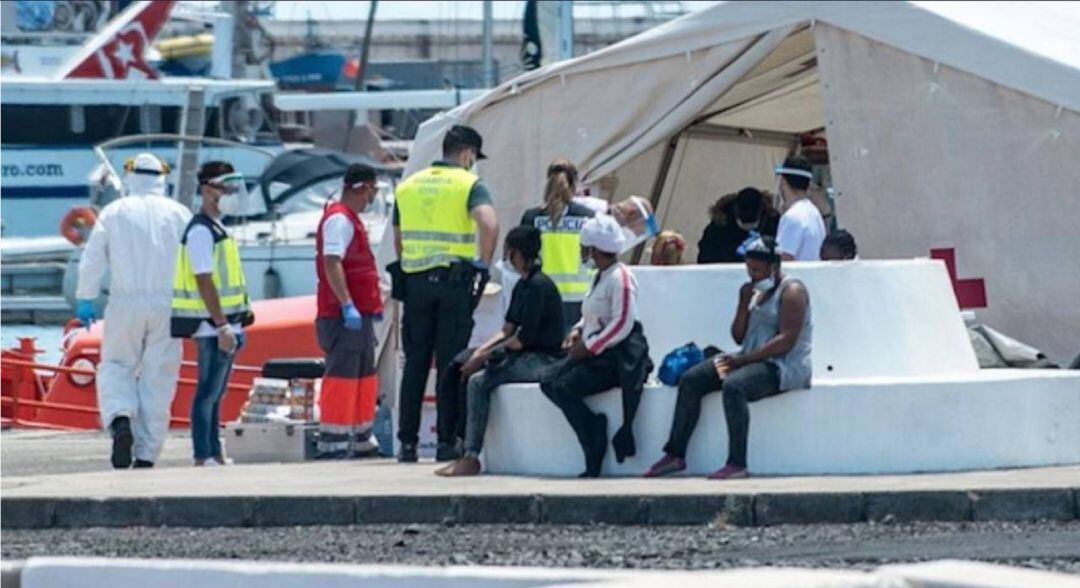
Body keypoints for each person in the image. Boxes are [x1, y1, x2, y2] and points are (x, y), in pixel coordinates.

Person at [644, 236, 812, 480]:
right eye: (749, 269)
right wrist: (743, 304)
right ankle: (675, 453)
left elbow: (787, 340)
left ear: (773, 267)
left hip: (781, 368)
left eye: (756, 269)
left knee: (734, 386)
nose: (752, 275)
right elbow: (738, 336)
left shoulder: (792, 291)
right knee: (693, 379)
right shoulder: (757, 294)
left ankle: (737, 463)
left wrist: (743, 361)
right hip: (750, 359)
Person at [75, 152, 192, 469]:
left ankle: (120, 418)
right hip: (169, 306)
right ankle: (146, 454)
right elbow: (196, 263)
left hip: (125, 301)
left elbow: (93, 259)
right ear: (161, 178)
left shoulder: (114, 212)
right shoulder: (179, 213)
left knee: (116, 365)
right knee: (159, 377)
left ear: (130, 176)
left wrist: (85, 298)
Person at [392, 124, 499, 463]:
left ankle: (407, 443)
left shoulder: (408, 186)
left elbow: (399, 237)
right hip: (453, 283)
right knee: (450, 364)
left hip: (415, 284)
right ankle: (445, 442)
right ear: (467, 152)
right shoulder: (469, 184)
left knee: (416, 364)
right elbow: (489, 223)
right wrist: (483, 263)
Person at [436, 226, 566, 476]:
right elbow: (507, 330)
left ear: (517, 253)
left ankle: (472, 455)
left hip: (543, 358)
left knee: (477, 382)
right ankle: (455, 443)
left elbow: (522, 340)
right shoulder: (522, 286)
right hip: (523, 351)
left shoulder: (539, 287)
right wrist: (478, 352)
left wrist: (486, 358)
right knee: (458, 367)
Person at [540, 215, 652, 478]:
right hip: (594, 351)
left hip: (614, 358)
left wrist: (589, 347)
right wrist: (577, 331)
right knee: (548, 381)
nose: (581, 252)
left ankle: (593, 443)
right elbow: (592, 313)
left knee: (564, 387)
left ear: (595, 249)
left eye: (584, 247)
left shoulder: (621, 278)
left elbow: (622, 322)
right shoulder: (601, 276)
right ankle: (592, 428)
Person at [171, 161, 254, 467]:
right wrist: (221, 326)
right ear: (208, 191)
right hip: (211, 328)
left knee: (217, 393)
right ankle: (202, 452)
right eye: (226, 187)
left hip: (227, 324)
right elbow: (203, 278)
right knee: (207, 391)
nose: (233, 193)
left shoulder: (219, 229)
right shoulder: (201, 232)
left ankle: (214, 451)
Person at [314, 164, 385, 459]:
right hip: (342, 316)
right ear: (362, 188)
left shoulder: (348, 220)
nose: (374, 196)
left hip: (357, 315)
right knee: (342, 376)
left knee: (363, 376)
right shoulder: (339, 221)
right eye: (373, 189)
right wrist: (347, 304)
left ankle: (360, 437)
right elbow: (332, 262)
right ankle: (333, 439)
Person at [520, 158, 595, 333]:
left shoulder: (531, 218)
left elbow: (519, 258)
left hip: (540, 294)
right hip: (579, 298)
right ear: (574, 184)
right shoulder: (588, 217)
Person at [697, 187, 780, 264]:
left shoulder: (773, 223)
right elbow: (705, 259)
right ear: (735, 211)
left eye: (752, 224)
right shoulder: (718, 228)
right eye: (744, 224)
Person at [774, 156, 826, 261]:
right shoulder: (814, 212)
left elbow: (783, 261)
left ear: (783, 182)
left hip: (798, 277)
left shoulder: (792, 217)